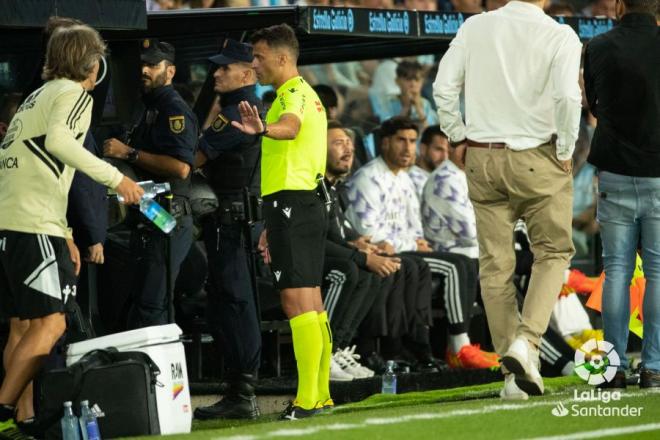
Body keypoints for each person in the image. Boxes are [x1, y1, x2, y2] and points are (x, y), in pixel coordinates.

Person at [0, 24, 142, 439]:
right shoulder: (74, 94)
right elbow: (61, 145)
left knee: (23, 326)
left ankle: (24, 419)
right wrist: (117, 179)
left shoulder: (34, 98)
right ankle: (4, 408)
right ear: (94, 65)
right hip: (32, 223)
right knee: (53, 325)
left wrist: (63, 231)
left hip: (14, 223)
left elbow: (36, 166)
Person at [434, 0, 581, 397]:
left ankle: (512, 376)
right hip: (537, 156)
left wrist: (457, 134)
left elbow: (442, 88)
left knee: (495, 266)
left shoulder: (475, 27)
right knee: (552, 253)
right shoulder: (559, 34)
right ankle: (527, 342)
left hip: (482, 156)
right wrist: (566, 148)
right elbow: (569, 98)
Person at [344, 116, 498, 371]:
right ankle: (457, 346)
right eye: (401, 141)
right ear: (384, 144)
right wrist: (412, 243)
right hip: (384, 254)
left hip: (408, 251)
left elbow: (415, 227)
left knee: (464, 264)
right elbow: (369, 234)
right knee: (455, 266)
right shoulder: (367, 179)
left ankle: (434, 347)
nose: (407, 148)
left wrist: (413, 242)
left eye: (412, 141)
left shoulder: (403, 179)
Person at [232, 24, 330, 420]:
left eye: (258, 56)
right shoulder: (307, 93)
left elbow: (291, 127)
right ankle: (320, 393)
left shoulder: (292, 94)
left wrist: (264, 129)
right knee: (312, 300)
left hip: (293, 202)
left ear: (282, 58)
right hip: (300, 202)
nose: (254, 64)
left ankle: (307, 399)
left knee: (294, 299)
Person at [584, 0, 660, 389]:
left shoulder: (597, 46)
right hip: (659, 174)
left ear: (618, 7)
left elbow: (592, 106)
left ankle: (611, 368)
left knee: (616, 271)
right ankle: (653, 368)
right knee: (659, 272)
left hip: (614, 170)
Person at [103, 39, 197, 329]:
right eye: (142, 64)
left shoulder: (173, 108)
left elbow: (181, 168)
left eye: (153, 65)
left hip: (168, 215)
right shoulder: (146, 106)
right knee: (143, 299)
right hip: (149, 212)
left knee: (153, 302)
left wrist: (128, 153)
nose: (144, 70)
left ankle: (158, 373)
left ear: (170, 72)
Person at [191, 39, 263, 420]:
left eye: (224, 68)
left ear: (246, 73)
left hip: (230, 224)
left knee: (234, 302)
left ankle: (242, 393)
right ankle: (239, 390)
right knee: (231, 300)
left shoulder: (237, 112)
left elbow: (193, 158)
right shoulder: (247, 108)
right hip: (239, 221)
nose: (216, 73)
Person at [408, 125, 450, 198]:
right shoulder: (412, 180)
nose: (445, 157)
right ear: (423, 149)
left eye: (448, 152)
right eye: (439, 149)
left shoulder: (447, 177)